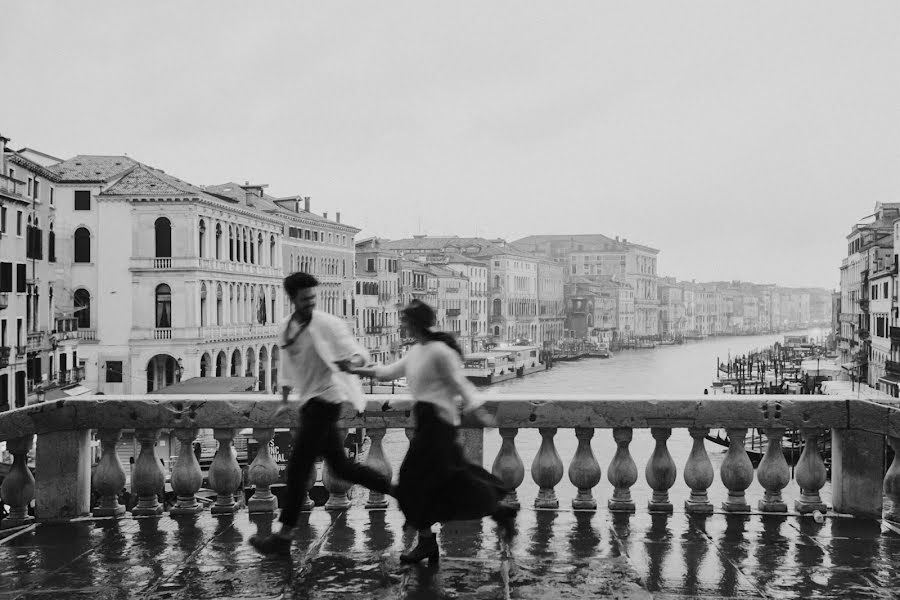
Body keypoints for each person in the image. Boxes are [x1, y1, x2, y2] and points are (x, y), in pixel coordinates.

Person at [348, 299, 517, 564]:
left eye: (404, 320)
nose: (401, 324)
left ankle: (439, 535)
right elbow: (388, 373)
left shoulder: (439, 351)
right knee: (443, 481)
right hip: (427, 422)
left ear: (415, 323)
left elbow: (459, 384)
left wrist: (480, 411)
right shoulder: (416, 350)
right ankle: (489, 515)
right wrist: (355, 369)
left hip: (439, 424)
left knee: (415, 481)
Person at [249, 272, 393, 557]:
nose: (310, 304)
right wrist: (285, 399)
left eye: (313, 298)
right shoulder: (286, 328)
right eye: (304, 300)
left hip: (327, 400)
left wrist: (352, 361)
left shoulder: (329, 324)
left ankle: (284, 537)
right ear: (293, 299)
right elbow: (288, 367)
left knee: (298, 468)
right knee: (342, 468)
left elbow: (358, 353)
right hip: (309, 404)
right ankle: (402, 493)